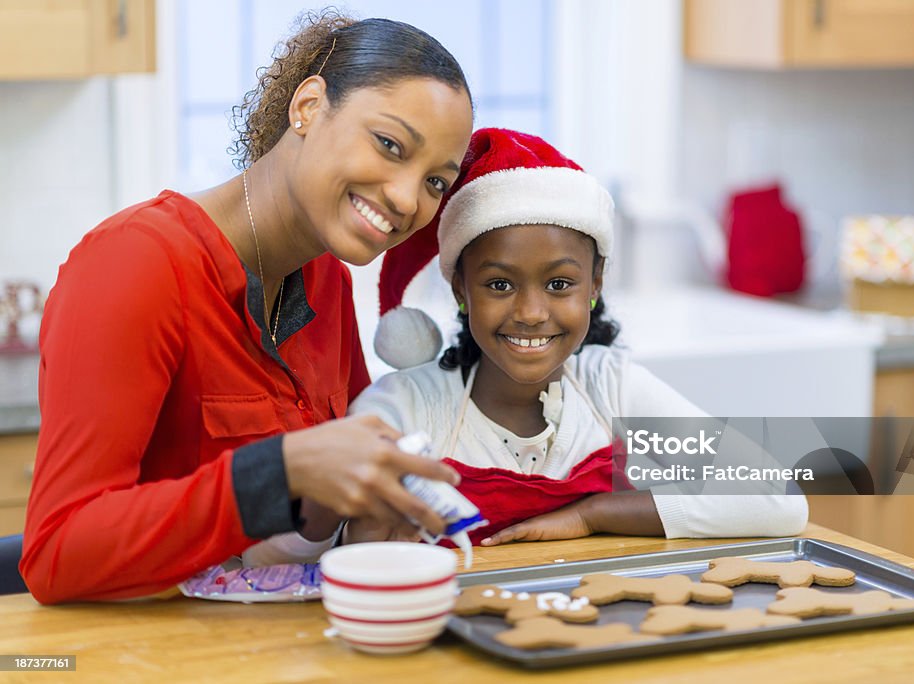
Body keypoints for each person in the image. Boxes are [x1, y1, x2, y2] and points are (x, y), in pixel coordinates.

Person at [19, 10, 474, 604]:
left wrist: (351, 512)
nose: (407, 198)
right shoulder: (135, 263)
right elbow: (56, 553)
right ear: (308, 106)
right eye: (389, 145)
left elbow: (312, 518)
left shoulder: (325, 278)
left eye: (437, 183)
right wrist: (281, 470)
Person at [343, 128, 808, 546]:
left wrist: (592, 515)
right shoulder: (407, 407)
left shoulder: (611, 388)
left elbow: (777, 497)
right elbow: (342, 538)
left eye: (559, 284)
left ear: (596, 284)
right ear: (461, 288)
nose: (530, 313)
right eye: (500, 284)